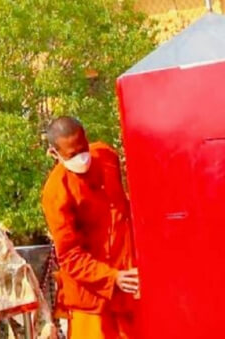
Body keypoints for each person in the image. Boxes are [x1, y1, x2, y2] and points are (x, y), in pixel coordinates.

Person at [41, 117, 139, 339]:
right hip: (91, 298)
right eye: (71, 155)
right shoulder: (56, 192)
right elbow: (70, 256)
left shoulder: (106, 156)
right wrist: (112, 277)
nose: (81, 158)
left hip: (129, 288)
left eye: (83, 148)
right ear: (54, 154)